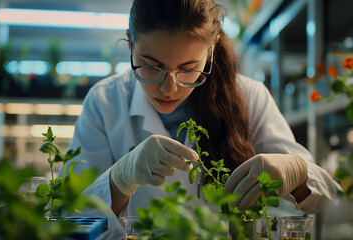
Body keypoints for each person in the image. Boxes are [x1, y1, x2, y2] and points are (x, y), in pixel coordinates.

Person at [59, 0, 341, 237]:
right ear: (130, 43)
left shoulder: (249, 96)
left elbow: (331, 197)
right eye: (150, 66)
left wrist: (298, 173)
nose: (169, 88)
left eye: (188, 68)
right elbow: (63, 219)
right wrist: (118, 180)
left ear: (211, 51)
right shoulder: (105, 102)